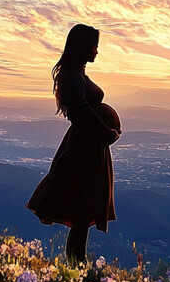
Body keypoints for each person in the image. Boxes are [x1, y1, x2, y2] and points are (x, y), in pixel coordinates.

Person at [26, 24, 120, 264]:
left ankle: (77, 263)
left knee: (83, 207)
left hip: (87, 145)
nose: (97, 51)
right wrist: (106, 131)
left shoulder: (76, 73)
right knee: (83, 207)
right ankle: (77, 265)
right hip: (85, 149)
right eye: (94, 46)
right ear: (82, 46)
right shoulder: (74, 77)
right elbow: (82, 110)